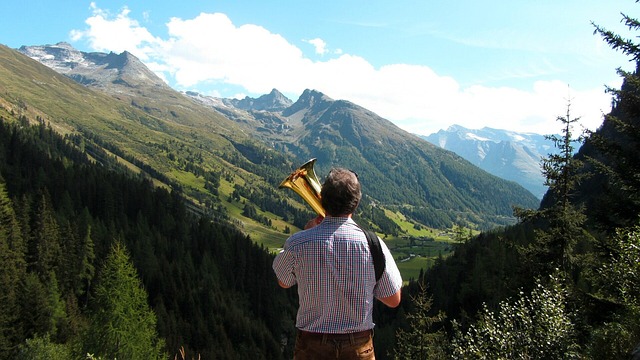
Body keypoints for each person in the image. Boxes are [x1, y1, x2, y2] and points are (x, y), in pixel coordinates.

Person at [273, 167, 403, 359]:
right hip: (358, 347)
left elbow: (283, 281)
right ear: (356, 202)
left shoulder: (297, 243)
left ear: (323, 199)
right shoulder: (374, 244)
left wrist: (306, 233)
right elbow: (394, 300)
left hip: (311, 346)